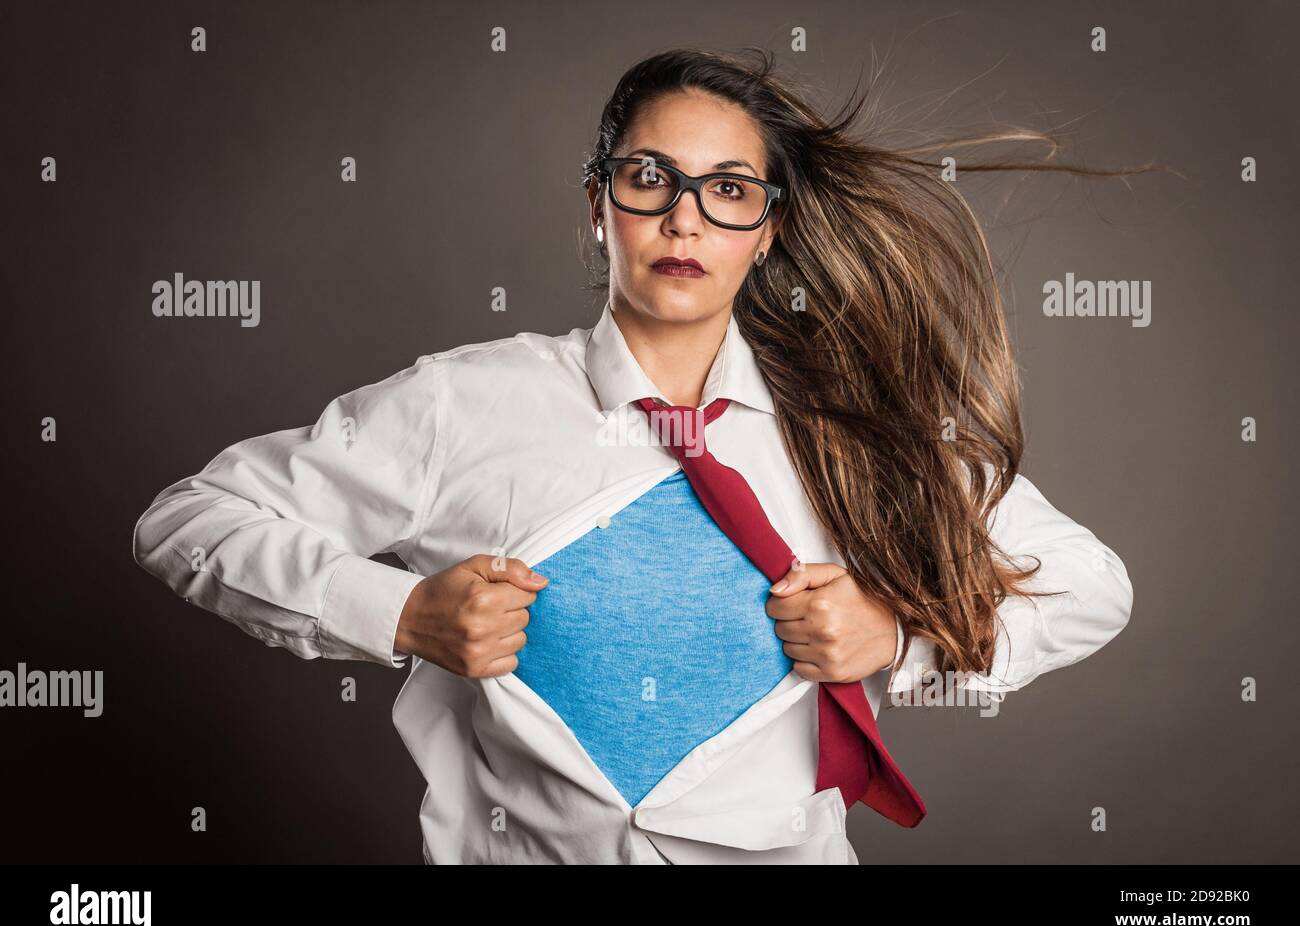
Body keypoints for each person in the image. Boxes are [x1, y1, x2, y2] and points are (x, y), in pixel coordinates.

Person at [132, 47, 1138, 864]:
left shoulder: (854, 427)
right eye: (649, 177)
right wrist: (397, 611)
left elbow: (1093, 584)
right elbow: (187, 521)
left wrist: (904, 640)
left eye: (729, 188)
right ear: (597, 202)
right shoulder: (463, 401)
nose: (684, 216)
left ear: (767, 227)